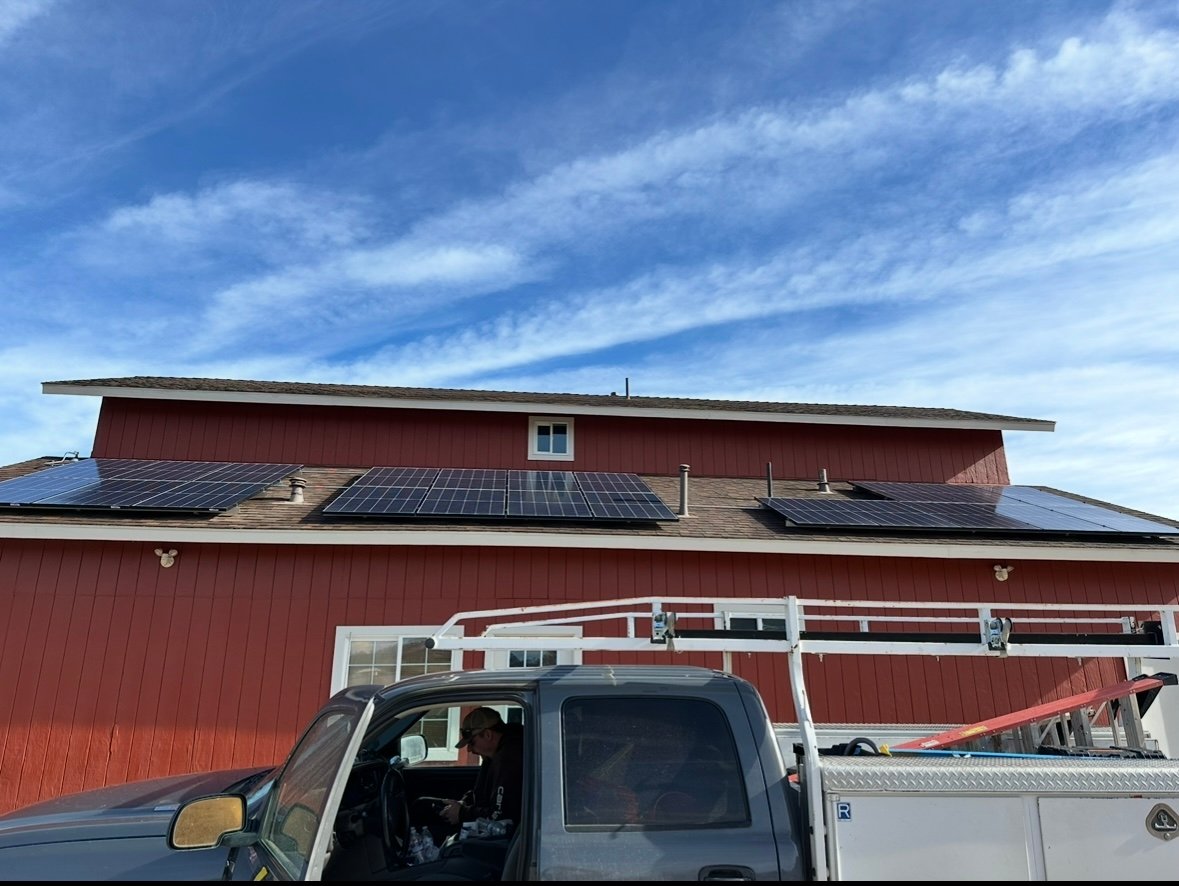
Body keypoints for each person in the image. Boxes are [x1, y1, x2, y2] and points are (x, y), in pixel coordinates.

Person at [440, 707, 523, 829]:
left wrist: (463, 813)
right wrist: (464, 803)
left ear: (488, 735)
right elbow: (482, 794)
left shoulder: (509, 760)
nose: (469, 749)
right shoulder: (493, 755)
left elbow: (499, 816)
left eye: (472, 743)